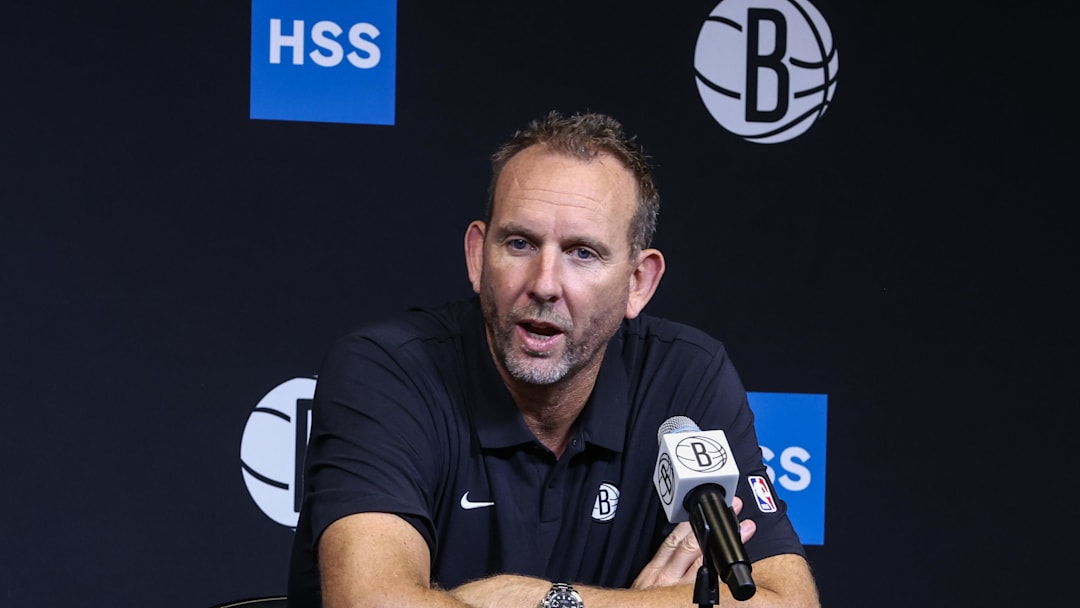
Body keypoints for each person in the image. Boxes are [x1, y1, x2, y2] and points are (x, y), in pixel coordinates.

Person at [287, 111, 819, 608]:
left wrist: (539, 598)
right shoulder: (387, 370)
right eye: (519, 243)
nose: (544, 284)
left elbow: (787, 602)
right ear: (477, 257)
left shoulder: (687, 376)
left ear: (638, 283)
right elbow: (372, 603)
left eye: (582, 253)